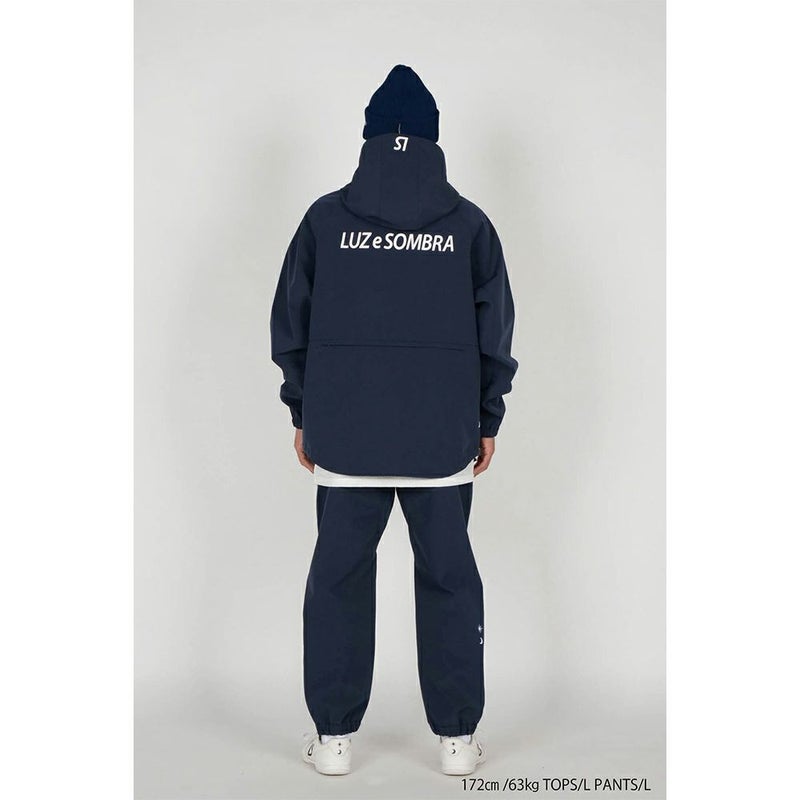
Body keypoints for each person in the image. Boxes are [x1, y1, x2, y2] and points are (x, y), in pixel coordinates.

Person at [270, 65, 517, 776]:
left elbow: (291, 322)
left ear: (370, 138)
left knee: (339, 578)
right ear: (433, 140)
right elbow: (495, 330)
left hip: (346, 437)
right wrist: (486, 417)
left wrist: (304, 409)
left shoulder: (325, 221)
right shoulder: (469, 226)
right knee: (448, 577)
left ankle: (334, 740)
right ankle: (457, 741)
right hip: (442, 438)